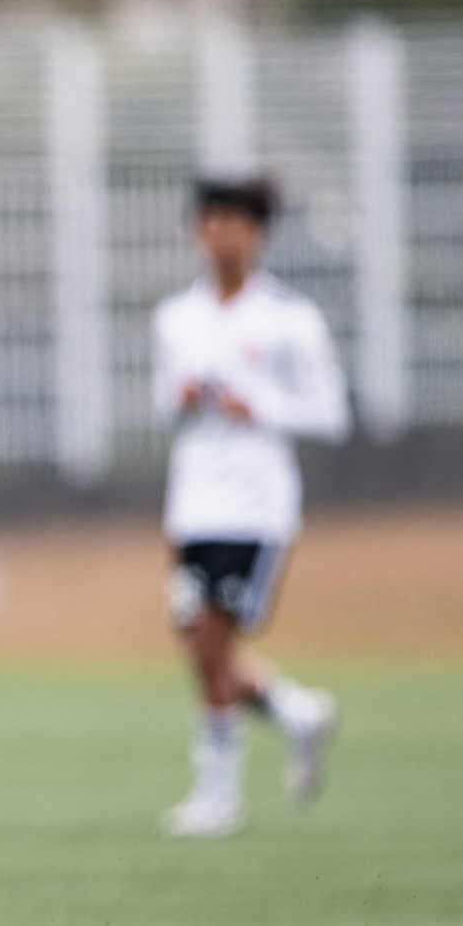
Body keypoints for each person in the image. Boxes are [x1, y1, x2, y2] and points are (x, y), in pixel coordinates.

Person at [151, 177, 348, 838]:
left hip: (256, 506)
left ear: (258, 233)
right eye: (211, 221)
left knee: (212, 641)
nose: (222, 235)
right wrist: (180, 399)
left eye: (235, 222)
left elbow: (330, 414)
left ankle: (218, 792)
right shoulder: (177, 316)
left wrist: (257, 406)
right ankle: (296, 712)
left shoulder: (289, 318)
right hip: (193, 504)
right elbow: (161, 404)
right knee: (198, 643)